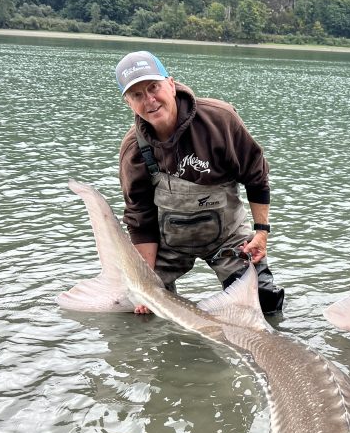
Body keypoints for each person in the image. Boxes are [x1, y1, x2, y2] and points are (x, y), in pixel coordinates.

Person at [115, 50, 284, 315]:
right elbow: (140, 218)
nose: (149, 100)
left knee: (264, 301)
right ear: (128, 103)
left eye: (153, 87)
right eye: (137, 95)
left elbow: (256, 174)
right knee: (135, 306)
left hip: (227, 238)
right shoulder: (134, 149)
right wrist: (145, 284)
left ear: (171, 84)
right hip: (168, 244)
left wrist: (261, 232)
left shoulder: (219, 119)